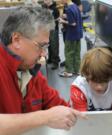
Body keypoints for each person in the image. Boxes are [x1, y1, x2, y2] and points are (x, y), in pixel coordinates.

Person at [0, 6, 84, 135]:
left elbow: (58, 106)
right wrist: (44, 117)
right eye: (41, 46)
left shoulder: (32, 74)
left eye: (46, 46)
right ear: (16, 40)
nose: (44, 54)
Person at [59, 0, 83, 77]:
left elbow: (73, 23)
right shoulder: (75, 6)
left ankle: (68, 71)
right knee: (76, 52)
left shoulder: (69, 9)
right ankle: (77, 70)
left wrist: (62, 20)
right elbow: (76, 19)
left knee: (69, 52)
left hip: (71, 35)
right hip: (78, 34)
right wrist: (67, 16)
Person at [42, 0, 61, 70]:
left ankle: (55, 62)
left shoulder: (55, 9)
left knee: (54, 46)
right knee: (49, 45)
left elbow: (56, 19)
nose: (44, 1)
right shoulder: (45, 7)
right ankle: (50, 59)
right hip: (47, 29)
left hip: (53, 29)